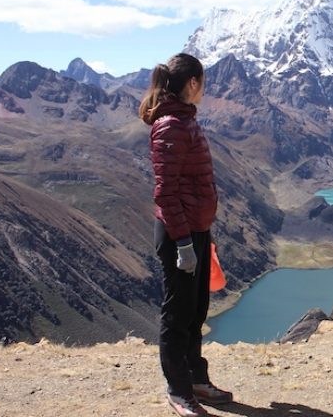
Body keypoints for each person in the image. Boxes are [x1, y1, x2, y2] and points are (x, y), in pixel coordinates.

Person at [139, 53, 234, 417]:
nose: (205, 89)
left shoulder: (184, 121)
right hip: (179, 235)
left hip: (194, 230)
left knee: (196, 311)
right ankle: (178, 391)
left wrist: (202, 234)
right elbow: (165, 192)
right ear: (192, 83)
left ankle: (196, 378)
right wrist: (182, 243)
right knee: (177, 314)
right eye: (203, 82)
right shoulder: (171, 126)